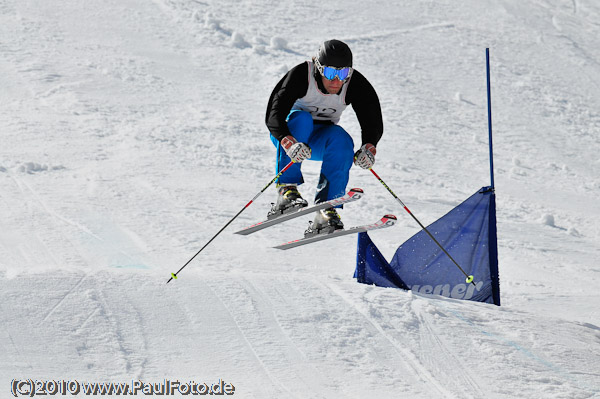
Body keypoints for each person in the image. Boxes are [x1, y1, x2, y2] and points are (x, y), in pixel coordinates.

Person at [265, 39, 383, 234]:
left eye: (343, 73)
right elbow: (273, 114)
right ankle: (286, 190)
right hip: (290, 135)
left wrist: (368, 147)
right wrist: (288, 141)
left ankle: (326, 210)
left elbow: (372, 119)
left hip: (319, 140)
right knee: (303, 119)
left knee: (342, 139)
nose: (337, 80)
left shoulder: (354, 83)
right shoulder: (302, 75)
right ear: (319, 68)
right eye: (330, 73)